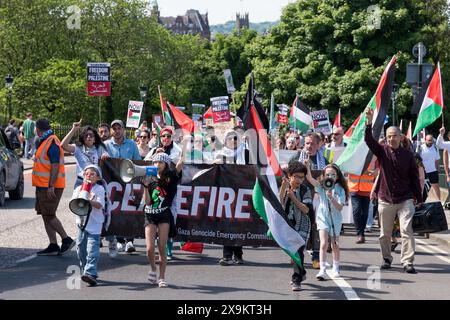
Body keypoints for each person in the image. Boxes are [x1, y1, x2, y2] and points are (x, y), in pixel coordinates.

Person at [364, 107, 422, 274]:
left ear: (401, 137)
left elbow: (414, 177)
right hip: (385, 199)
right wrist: (369, 122)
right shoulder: (382, 152)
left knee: (406, 230)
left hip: (405, 199)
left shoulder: (408, 155)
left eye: (394, 135)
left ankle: (407, 262)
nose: (391, 139)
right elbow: (369, 140)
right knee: (385, 234)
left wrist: (418, 197)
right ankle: (386, 258)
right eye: (388, 136)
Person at [32, 118, 75, 256]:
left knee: (49, 215)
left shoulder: (52, 142)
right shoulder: (46, 140)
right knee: (45, 214)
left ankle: (66, 239)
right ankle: (53, 244)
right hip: (42, 185)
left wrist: (50, 186)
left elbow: (55, 165)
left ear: (38, 129)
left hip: (49, 187)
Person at [142, 152, 184, 288]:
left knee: (161, 247)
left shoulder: (171, 176)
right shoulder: (149, 177)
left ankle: (162, 277)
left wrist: (186, 145)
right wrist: (145, 187)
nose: (157, 165)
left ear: (166, 164)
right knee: (149, 249)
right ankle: (153, 269)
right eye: (155, 162)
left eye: (160, 162)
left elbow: (180, 163)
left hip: (164, 214)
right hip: (150, 214)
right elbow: (147, 202)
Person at [289, 132, 327, 269]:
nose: (309, 146)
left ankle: (316, 257)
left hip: (316, 198)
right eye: (307, 143)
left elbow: (325, 180)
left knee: (316, 227)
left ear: (318, 145)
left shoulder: (323, 160)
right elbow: (289, 175)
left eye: (312, 143)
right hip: (298, 197)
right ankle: (295, 254)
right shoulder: (296, 157)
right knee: (296, 227)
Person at [305, 162, 348, 280]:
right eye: (328, 174)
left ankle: (336, 267)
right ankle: (322, 270)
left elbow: (339, 207)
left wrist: (331, 197)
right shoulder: (321, 186)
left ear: (337, 176)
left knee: (334, 244)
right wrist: (308, 167)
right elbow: (310, 179)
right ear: (324, 175)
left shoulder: (340, 189)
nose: (330, 177)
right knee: (323, 243)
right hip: (323, 217)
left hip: (335, 218)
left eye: (333, 175)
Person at [103, 119, 141, 254]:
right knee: (115, 211)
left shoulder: (131, 144)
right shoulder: (106, 145)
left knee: (130, 210)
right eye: (114, 129)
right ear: (111, 131)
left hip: (129, 183)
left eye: (119, 128)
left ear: (123, 129)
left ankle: (130, 240)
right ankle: (119, 240)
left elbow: (138, 161)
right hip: (112, 184)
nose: (117, 131)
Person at [215, 129, 249, 265]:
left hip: (242, 193)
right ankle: (227, 255)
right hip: (225, 194)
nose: (233, 141)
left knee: (239, 224)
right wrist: (215, 165)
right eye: (230, 138)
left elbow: (254, 169)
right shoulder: (220, 155)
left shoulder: (246, 154)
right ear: (225, 140)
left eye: (235, 138)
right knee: (227, 224)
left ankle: (238, 254)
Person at [73, 165, 109, 286]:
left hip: (94, 225)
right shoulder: (78, 189)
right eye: (86, 173)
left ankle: (91, 273)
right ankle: (85, 270)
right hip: (81, 225)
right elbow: (73, 204)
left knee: (92, 250)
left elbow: (99, 204)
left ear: (98, 177)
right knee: (81, 251)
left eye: (92, 174)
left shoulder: (99, 189)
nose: (88, 176)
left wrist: (88, 201)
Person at [280, 162, 313, 291]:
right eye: (297, 176)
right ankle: (302, 272)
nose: (299, 180)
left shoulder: (305, 190)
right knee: (294, 253)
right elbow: (279, 203)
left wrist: (293, 197)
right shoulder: (286, 186)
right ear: (290, 175)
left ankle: (296, 280)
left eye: (302, 177)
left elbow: (306, 210)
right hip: (288, 225)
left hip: (302, 225)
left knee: (298, 252)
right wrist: (283, 188)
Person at [61, 120, 108, 189]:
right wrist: (73, 130)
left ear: (94, 139)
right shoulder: (77, 148)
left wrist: (105, 155)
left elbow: (106, 156)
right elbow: (63, 145)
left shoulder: (99, 148)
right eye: (86, 135)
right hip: (82, 181)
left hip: (96, 183)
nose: (88, 137)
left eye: (91, 135)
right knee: (79, 200)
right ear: (83, 138)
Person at [348, 156, 377, 244]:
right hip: (354, 188)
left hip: (366, 189)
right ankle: (359, 234)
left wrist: (369, 173)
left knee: (364, 213)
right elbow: (346, 169)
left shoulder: (374, 156)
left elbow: (377, 173)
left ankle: (362, 232)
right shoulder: (354, 154)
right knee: (356, 211)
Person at [418, 134, 441, 201]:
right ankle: (420, 201)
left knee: (435, 186)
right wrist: (420, 169)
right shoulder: (421, 148)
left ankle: (438, 201)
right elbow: (418, 160)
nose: (430, 142)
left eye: (431, 140)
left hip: (433, 171)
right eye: (428, 140)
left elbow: (437, 160)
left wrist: (437, 169)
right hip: (423, 171)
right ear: (425, 140)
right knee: (421, 187)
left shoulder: (435, 148)